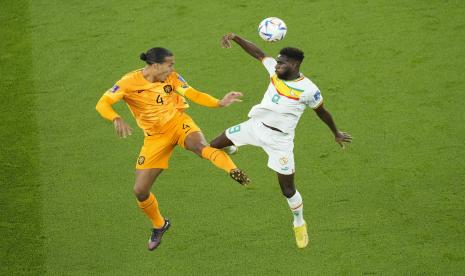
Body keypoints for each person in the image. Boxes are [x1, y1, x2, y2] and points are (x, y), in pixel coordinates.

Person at [95, 47, 250, 251]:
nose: (173, 68)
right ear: (156, 65)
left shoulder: (172, 77)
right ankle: (160, 225)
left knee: (201, 147)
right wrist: (115, 117)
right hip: (155, 138)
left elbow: (192, 93)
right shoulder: (128, 82)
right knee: (140, 191)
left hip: (178, 123)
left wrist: (219, 103)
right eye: (170, 64)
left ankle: (233, 170)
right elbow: (103, 103)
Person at [210, 34, 352, 249]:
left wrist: (336, 132)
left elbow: (322, 112)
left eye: (281, 63)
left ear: (294, 64)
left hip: (280, 141)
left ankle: (299, 222)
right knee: (213, 145)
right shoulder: (274, 71)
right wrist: (235, 38)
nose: (276, 66)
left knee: (287, 190)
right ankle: (232, 148)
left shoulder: (309, 89)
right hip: (254, 126)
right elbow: (258, 53)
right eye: (277, 62)